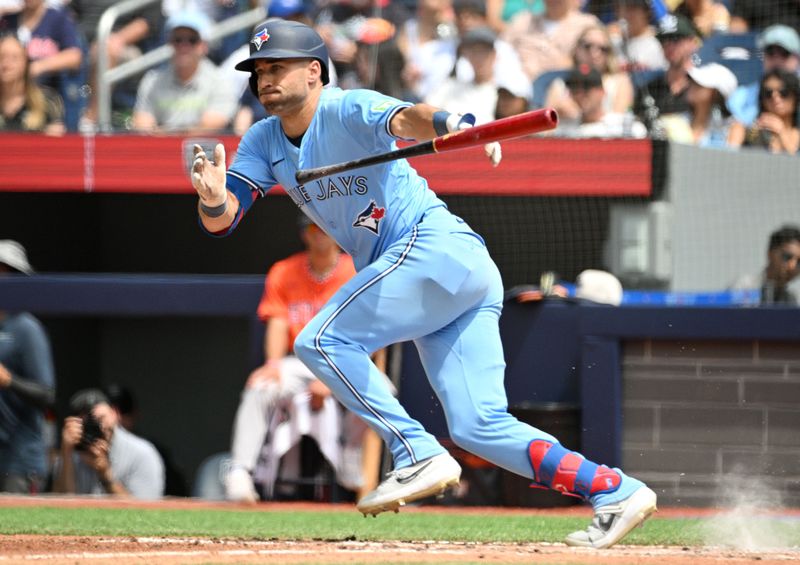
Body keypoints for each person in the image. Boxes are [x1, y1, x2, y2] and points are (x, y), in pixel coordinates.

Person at [189, 19, 657, 549]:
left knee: (319, 340)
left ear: (314, 71)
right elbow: (224, 219)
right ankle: (614, 490)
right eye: (258, 71)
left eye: (278, 67)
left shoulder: (345, 106)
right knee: (478, 427)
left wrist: (452, 120)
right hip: (449, 275)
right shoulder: (262, 138)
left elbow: (408, 117)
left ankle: (414, 448)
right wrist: (209, 195)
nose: (265, 79)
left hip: (432, 248)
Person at [225, 214, 385, 503]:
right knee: (260, 386)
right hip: (300, 360)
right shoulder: (284, 271)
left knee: (384, 391)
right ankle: (240, 471)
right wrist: (272, 364)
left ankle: (349, 449)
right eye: (314, 227)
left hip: (345, 360)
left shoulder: (358, 271)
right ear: (305, 234)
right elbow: (277, 322)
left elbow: (368, 331)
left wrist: (333, 379)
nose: (321, 234)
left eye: (327, 227)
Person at [0, 240, 56, 494]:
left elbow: (47, 394)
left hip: (20, 459)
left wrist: (8, 380)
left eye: (3, 270)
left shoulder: (25, 327)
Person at [131, 11, 238, 134]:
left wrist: (162, 134)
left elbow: (210, 127)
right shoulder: (152, 80)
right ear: (170, 43)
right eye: (178, 39)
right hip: (160, 151)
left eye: (192, 40)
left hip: (206, 152)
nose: (184, 45)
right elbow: (142, 126)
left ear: (204, 46)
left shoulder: (220, 81)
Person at [52, 388, 165, 499]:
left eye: (101, 419)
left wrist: (105, 474)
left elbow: (146, 511)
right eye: (88, 423)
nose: (97, 427)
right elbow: (62, 505)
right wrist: (66, 453)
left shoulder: (143, 453)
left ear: (114, 413)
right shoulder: (71, 452)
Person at [544, 24, 634, 122]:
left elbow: (619, 119)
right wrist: (558, 111)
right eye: (588, 46)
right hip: (568, 134)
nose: (594, 53)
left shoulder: (620, 82)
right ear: (577, 49)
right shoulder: (560, 84)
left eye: (602, 48)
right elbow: (546, 126)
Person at [633, 14, 701, 135]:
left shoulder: (703, 85)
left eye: (675, 39)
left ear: (692, 42)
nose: (669, 46)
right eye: (664, 41)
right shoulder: (649, 90)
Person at [501, 0, 600, 81]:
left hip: (567, 92)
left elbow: (599, 64)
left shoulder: (587, 25)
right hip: (520, 92)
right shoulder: (522, 21)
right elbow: (500, 53)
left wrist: (569, 66)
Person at [727, 25, 800, 129]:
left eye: (784, 53)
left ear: (797, 58)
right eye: (770, 52)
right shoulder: (740, 96)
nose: (776, 59)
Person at [554, 64, 647, 138]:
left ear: (602, 91)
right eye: (575, 89)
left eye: (587, 87)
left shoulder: (620, 126)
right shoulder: (564, 130)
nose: (581, 94)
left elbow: (639, 132)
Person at [0, 33, 64, 134]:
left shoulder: (47, 101)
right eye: (1, 57)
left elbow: (57, 142)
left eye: (14, 58)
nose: (6, 64)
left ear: (25, 62)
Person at [728, 69, 800, 155]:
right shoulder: (749, 133)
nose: (775, 98)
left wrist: (781, 133)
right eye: (768, 93)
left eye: (783, 92)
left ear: (795, 96)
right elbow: (729, 161)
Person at [730, 225, 800, 306]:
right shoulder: (743, 288)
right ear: (770, 253)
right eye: (787, 257)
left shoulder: (794, 300)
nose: (792, 266)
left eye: (799, 262)